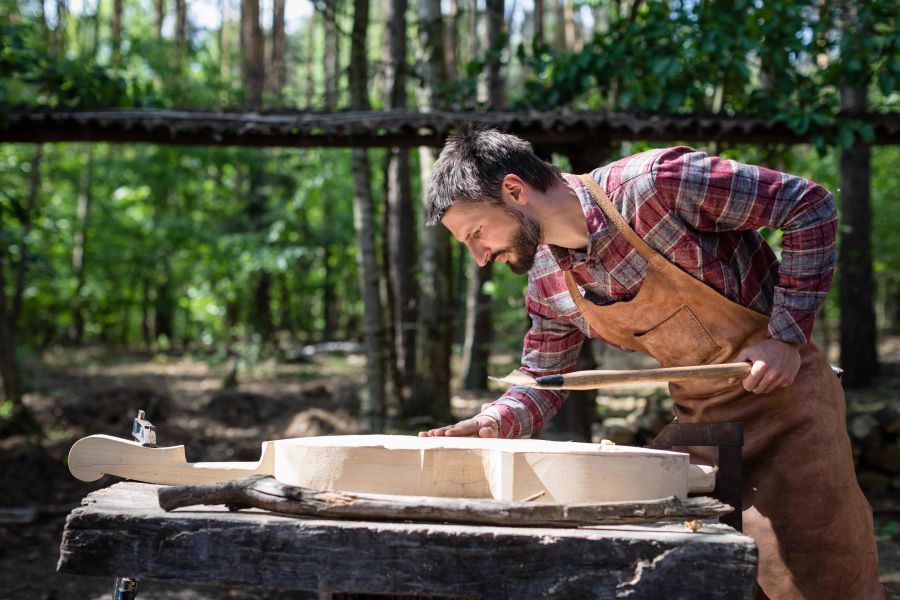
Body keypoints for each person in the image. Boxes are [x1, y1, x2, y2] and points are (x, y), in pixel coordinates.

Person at [419, 126, 884, 599]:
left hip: (794, 414)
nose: (479, 257)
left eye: (477, 234)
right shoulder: (546, 280)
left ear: (514, 190)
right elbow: (542, 379)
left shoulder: (657, 184)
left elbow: (809, 204)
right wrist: (493, 422)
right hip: (706, 435)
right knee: (705, 581)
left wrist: (785, 335)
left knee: (824, 578)